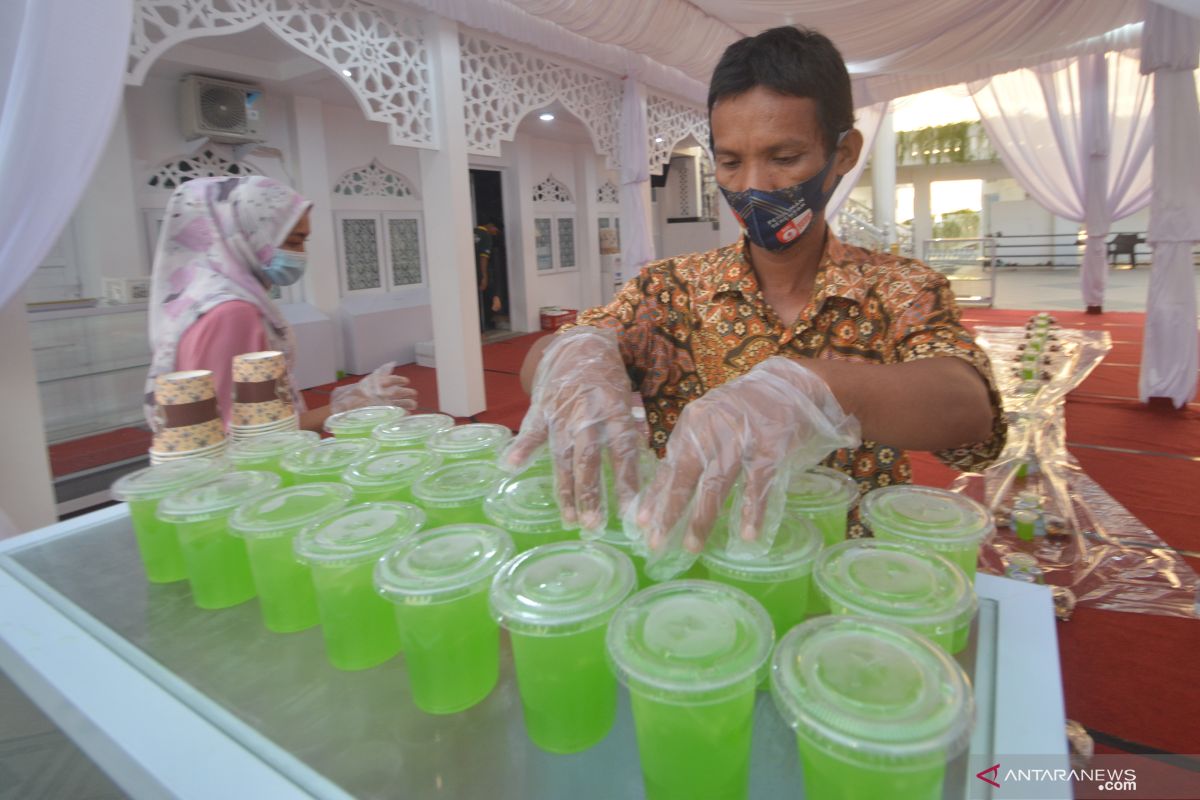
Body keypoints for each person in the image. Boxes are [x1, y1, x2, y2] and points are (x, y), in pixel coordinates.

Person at [508, 26, 1005, 554]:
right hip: (699, 567)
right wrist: (576, 356)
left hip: (847, 570)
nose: (753, 186)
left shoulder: (900, 287)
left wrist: (816, 392)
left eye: (784, 158)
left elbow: (970, 411)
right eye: (730, 161)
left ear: (842, 153)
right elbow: (539, 360)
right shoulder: (670, 289)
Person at [145, 175, 417, 433]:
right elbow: (245, 438)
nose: (299, 254)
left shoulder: (197, 302)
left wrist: (348, 398)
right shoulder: (231, 313)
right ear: (246, 233)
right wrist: (342, 408)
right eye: (293, 241)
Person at [474, 220, 503, 331]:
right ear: (491, 225)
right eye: (496, 230)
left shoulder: (472, 231)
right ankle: (482, 328)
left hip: (468, 272)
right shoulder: (486, 235)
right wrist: (484, 276)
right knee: (484, 297)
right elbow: (483, 258)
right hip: (478, 272)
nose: (495, 233)